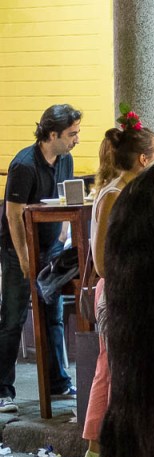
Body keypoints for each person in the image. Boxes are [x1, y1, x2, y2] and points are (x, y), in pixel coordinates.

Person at [81, 117, 154, 457]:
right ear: (143, 159)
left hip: (125, 288)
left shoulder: (126, 190)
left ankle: (99, 444)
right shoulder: (116, 194)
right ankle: (113, 444)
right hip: (119, 291)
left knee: (111, 366)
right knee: (118, 367)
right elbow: (102, 260)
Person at [0, 104, 82, 414]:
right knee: (13, 319)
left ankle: (58, 381)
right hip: (18, 249)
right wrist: (24, 259)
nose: (76, 139)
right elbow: (13, 215)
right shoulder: (24, 165)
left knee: (53, 315)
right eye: (71, 134)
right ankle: (3, 390)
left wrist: (61, 238)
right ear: (52, 134)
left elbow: (65, 200)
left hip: (51, 248)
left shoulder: (65, 160)